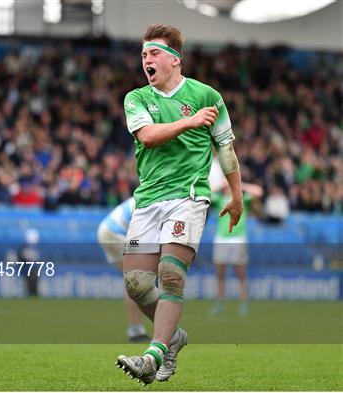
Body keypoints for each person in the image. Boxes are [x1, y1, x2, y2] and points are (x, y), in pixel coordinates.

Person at [115, 24, 243, 385]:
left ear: (174, 59)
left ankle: (153, 355)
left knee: (171, 276)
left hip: (188, 197)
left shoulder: (207, 96)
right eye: (142, 55)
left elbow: (226, 150)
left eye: (153, 53)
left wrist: (237, 195)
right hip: (149, 200)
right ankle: (173, 335)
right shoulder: (136, 98)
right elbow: (148, 136)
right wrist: (189, 122)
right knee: (137, 284)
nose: (146, 60)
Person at [97, 197, 150, 342]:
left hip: (108, 231)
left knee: (133, 280)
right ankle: (137, 328)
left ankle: (136, 328)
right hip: (115, 233)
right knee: (135, 279)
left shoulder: (145, 196)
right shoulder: (149, 200)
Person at [210, 182, 263, 316]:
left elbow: (258, 191)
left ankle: (243, 304)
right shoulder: (219, 199)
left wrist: (239, 184)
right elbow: (207, 192)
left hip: (238, 239)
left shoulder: (242, 199)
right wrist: (221, 184)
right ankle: (219, 303)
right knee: (220, 275)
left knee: (240, 274)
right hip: (222, 239)